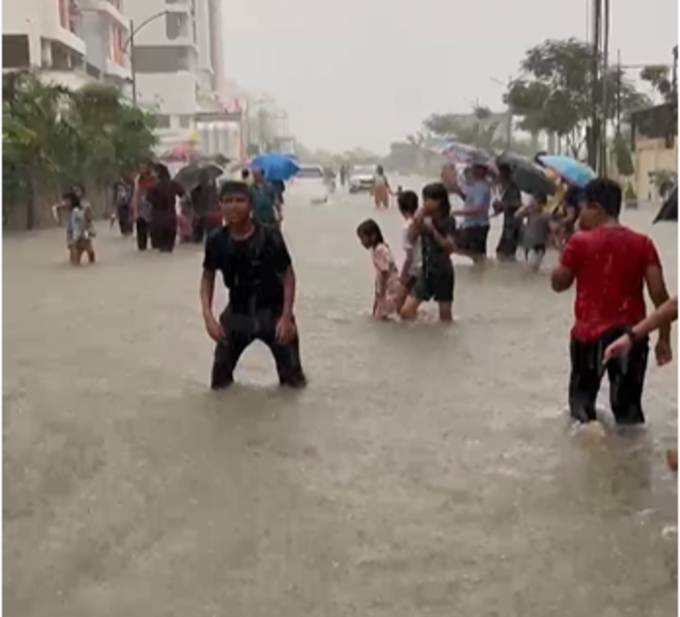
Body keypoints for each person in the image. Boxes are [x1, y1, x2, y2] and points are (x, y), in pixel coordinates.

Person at [551, 177, 671, 428]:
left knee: (581, 412)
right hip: (631, 336)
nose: (579, 215)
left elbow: (558, 284)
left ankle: (593, 463)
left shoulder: (580, 242)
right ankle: (628, 464)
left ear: (596, 208)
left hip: (588, 337)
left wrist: (563, 248)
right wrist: (664, 338)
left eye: (582, 208)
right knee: (629, 416)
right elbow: (660, 294)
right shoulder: (643, 243)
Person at [200, 180, 306, 389]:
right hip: (237, 313)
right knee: (219, 385)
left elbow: (288, 277)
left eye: (240, 200)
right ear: (219, 205)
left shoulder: (270, 236)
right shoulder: (215, 240)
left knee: (294, 385)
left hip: (273, 313)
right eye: (227, 201)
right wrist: (208, 317)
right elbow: (207, 277)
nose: (233, 206)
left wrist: (286, 318)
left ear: (251, 205)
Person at [400, 182, 457, 322]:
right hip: (426, 271)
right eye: (423, 199)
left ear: (439, 201)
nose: (424, 203)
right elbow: (411, 238)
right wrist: (416, 221)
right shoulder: (423, 219)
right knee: (406, 312)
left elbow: (449, 248)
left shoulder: (448, 221)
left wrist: (432, 231)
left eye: (427, 199)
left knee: (445, 319)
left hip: (443, 272)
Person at [356, 218, 401, 320]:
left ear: (373, 236)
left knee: (380, 317)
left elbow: (384, 274)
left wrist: (380, 297)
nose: (362, 242)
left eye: (363, 238)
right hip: (394, 288)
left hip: (390, 290)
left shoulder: (379, 250)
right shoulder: (381, 248)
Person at [450, 162, 492, 263]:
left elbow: (478, 209)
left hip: (477, 226)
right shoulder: (473, 185)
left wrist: (456, 212)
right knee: (467, 252)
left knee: (475, 255)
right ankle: (479, 274)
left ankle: (480, 273)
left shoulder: (482, 187)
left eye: (475, 167)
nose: (471, 169)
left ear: (482, 171)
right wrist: (459, 192)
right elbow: (469, 201)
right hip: (469, 224)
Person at [146, 163, 185, 253]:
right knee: (169, 249)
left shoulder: (154, 187)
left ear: (158, 173)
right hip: (171, 218)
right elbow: (183, 194)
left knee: (159, 250)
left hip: (158, 219)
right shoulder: (173, 184)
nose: (152, 173)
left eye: (154, 172)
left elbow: (148, 199)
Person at [53, 191, 96, 265]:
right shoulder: (72, 210)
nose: (64, 203)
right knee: (81, 260)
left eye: (66, 201)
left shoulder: (77, 211)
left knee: (78, 261)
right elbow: (56, 207)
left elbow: (80, 225)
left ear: (71, 201)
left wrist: (73, 240)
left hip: (80, 239)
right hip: (80, 238)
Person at [396, 190, 422, 310]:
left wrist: (402, 276)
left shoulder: (407, 227)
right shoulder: (421, 223)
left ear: (400, 208)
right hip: (424, 268)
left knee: (399, 306)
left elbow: (409, 257)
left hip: (414, 271)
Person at [515, 192, 551, 271]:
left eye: (535, 203)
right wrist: (526, 207)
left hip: (537, 248)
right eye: (532, 202)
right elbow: (516, 215)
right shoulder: (529, 214)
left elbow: (553, 229)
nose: (533, 205)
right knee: (521, 269)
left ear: (541, 205)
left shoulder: (545, 216)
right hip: (525, 246)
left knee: (531, 270)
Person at [493, 163, 522, 260]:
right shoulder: (504, 187)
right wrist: (497, 207)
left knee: (505, 251)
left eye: (500, 173)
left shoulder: (512, 187)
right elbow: (504, 207)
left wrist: (503, 205)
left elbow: (518, 204)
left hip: (513, 224)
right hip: (507, 223)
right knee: (502, 251)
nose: (499, 175)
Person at [131, 159, 156, 251]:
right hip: (141, 209)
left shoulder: (155, 178)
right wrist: (134, 210)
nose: (142, 169)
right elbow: (135, 194)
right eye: (140, 167)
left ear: (149, 167)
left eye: (144, 167)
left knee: (154, 236)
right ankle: (142, 248)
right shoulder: (138, 179)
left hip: (153, 209)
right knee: (141, 237)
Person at [112, 171, 134, 236]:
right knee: (122, 217)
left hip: (129, 202)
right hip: (120, 202)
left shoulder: (131, 183)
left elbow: (133, 191)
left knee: (129, 216)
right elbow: (115, 193)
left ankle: (129, 229)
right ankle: (124, 230)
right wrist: (114, 201)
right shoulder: (117, 184)